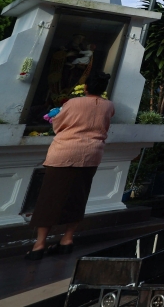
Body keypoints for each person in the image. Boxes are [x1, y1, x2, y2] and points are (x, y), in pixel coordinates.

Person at [26, 72, 115, 261]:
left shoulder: (73, 103)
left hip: (65, 152)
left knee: (50, 197)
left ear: (85, 87)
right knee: (78, 196)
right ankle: (67, 239)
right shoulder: (109, 106)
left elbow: (58, 124)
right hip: (91, 153)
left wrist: (56, 115)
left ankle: (39, 244)